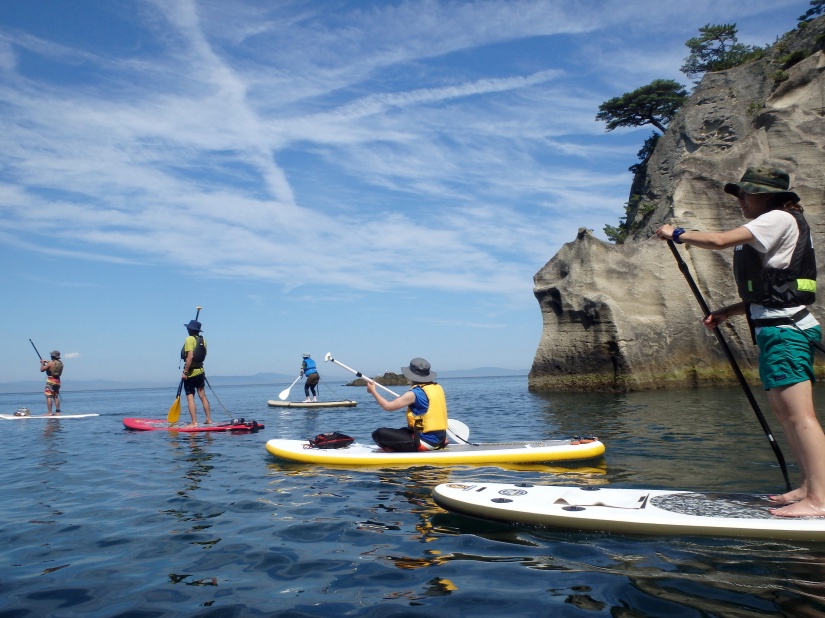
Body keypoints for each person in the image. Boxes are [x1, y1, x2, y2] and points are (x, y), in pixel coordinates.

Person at [656, 166, 825, 517]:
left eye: (745, 194)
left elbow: (720, 240)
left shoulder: (776, 217)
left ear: (766, 195)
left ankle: (820, 499)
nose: (740, 200)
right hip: (777, 326)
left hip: (785, 331)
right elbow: (772, 289)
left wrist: (677, 233)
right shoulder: (781, 221)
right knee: (786, 414)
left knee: (800, 416)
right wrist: (727, 312)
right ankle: (809, 487)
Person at [367, 358, 448, 452]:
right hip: (440, 439)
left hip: (424, 442)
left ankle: (393, 450)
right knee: (401, 431)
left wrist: (373, 391)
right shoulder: (437, 388)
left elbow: (388, 407)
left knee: (378, 434)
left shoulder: (414, 393)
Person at [181, 319, 212, 426]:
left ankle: (194, 422)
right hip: (200, 371)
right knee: (202, 396)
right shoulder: (203, 340)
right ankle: (209, 419)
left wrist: (185, 372)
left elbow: (190, 356)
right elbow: (204, 355)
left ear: (190, 329)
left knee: (190, 396)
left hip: (190, 373)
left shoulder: (189, 339)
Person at [40, 350, 63, 416]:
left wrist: (42, 363)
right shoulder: (60, 363)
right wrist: (48, 362)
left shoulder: (50, 363)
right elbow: (54, 365)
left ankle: (49, 412)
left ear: (52, 356)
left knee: (49, 396)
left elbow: (42, 370)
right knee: (55, 396)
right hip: (57, 381)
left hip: (51, 380)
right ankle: (58, 412)